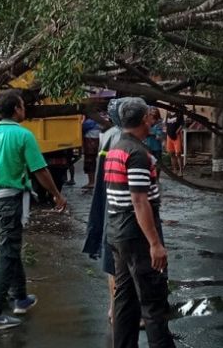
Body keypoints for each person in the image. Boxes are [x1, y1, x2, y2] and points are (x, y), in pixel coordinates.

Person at [0, 89, 68, 331]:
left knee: (10, 247)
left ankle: (21, 298)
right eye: (22, 106)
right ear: (16, 109)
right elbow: (40, 170)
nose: (24, 109)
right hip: (9, 201)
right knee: (6, 252)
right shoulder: (24, 135)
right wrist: (57, 195)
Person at [105, 97, 175, 348]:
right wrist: (155, 243)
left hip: (118, 232)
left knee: (125, 300)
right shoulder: (136, 153)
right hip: (137, 236)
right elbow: (138, 200)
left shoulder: (117, 147)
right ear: (144, 119)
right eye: (150, 116)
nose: (152, 120)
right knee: (153, 303)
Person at [83, 99, 124, 322]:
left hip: (107, 201)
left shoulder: (108, 135)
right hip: (121, 207)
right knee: (124, 262)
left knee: (112, 260)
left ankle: (114, 308)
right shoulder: (123, 139)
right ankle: (123, 311)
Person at [82, 115, 102, 190]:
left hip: (90, 143)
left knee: (89, 163)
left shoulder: (89, 122)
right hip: (97, 143)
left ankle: (91, 182)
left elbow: (81, 128)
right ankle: (93, 182)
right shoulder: (100, 121)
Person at [164, 111, 184, 176]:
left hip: (177, 136)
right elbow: (166, 124)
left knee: (178, 153)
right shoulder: (168, 114)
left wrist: (177, 132)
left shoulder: (179, 113)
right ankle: (174, 170)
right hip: (169, 136)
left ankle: (181, 171)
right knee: (171, 153)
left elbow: (182, 124)